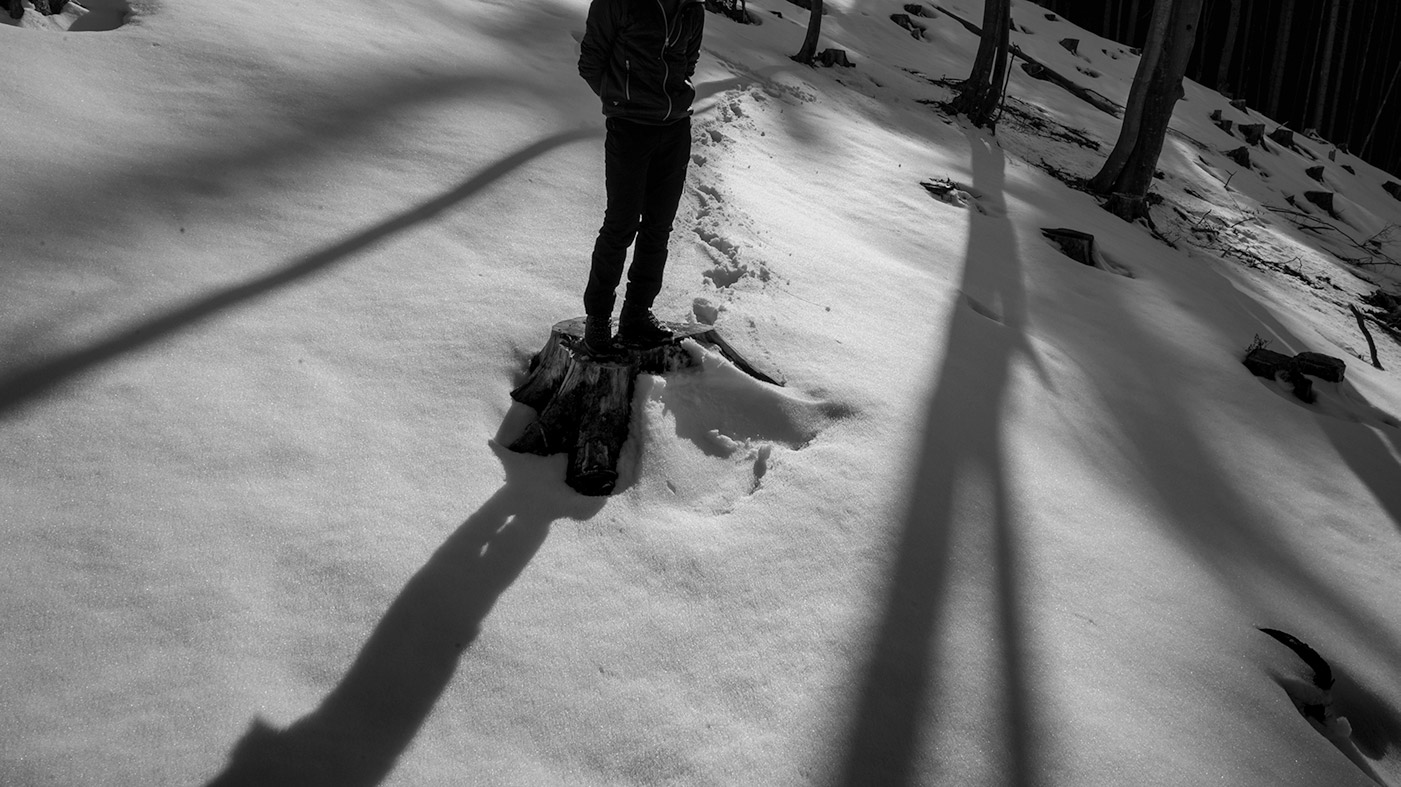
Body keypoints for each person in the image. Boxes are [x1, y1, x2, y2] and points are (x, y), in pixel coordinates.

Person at [577, 0, 705, 354]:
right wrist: (622, 99)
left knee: (659, 226)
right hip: (630, 128)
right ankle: (599, 317)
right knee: (621, 223)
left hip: (675, 128)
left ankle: (637, 311)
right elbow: (591, 63)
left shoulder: (692, 7)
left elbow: (687, 61)